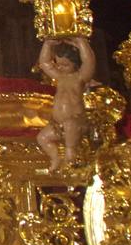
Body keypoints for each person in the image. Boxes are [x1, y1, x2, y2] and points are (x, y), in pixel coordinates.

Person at [36, 36, 95, 170]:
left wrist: (82, 43)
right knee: (42, 138)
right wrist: (47, 45)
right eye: (59, 64)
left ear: (75, 64)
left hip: (73, 121)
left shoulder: (80, 78)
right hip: (58, 123)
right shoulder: (60, 77)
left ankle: (71, 159)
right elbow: (45, 63)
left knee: (70, 146)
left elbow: (88, 62)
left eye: (65, 65)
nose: (61, 68)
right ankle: (55, 158)